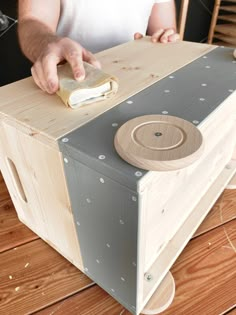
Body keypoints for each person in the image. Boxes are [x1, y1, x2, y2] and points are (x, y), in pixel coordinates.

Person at [18, 0, 179, 94]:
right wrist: (46, 44)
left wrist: (165, 38)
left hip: (137, 83)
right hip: (73, 85)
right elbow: (32, 21)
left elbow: (165, 31)